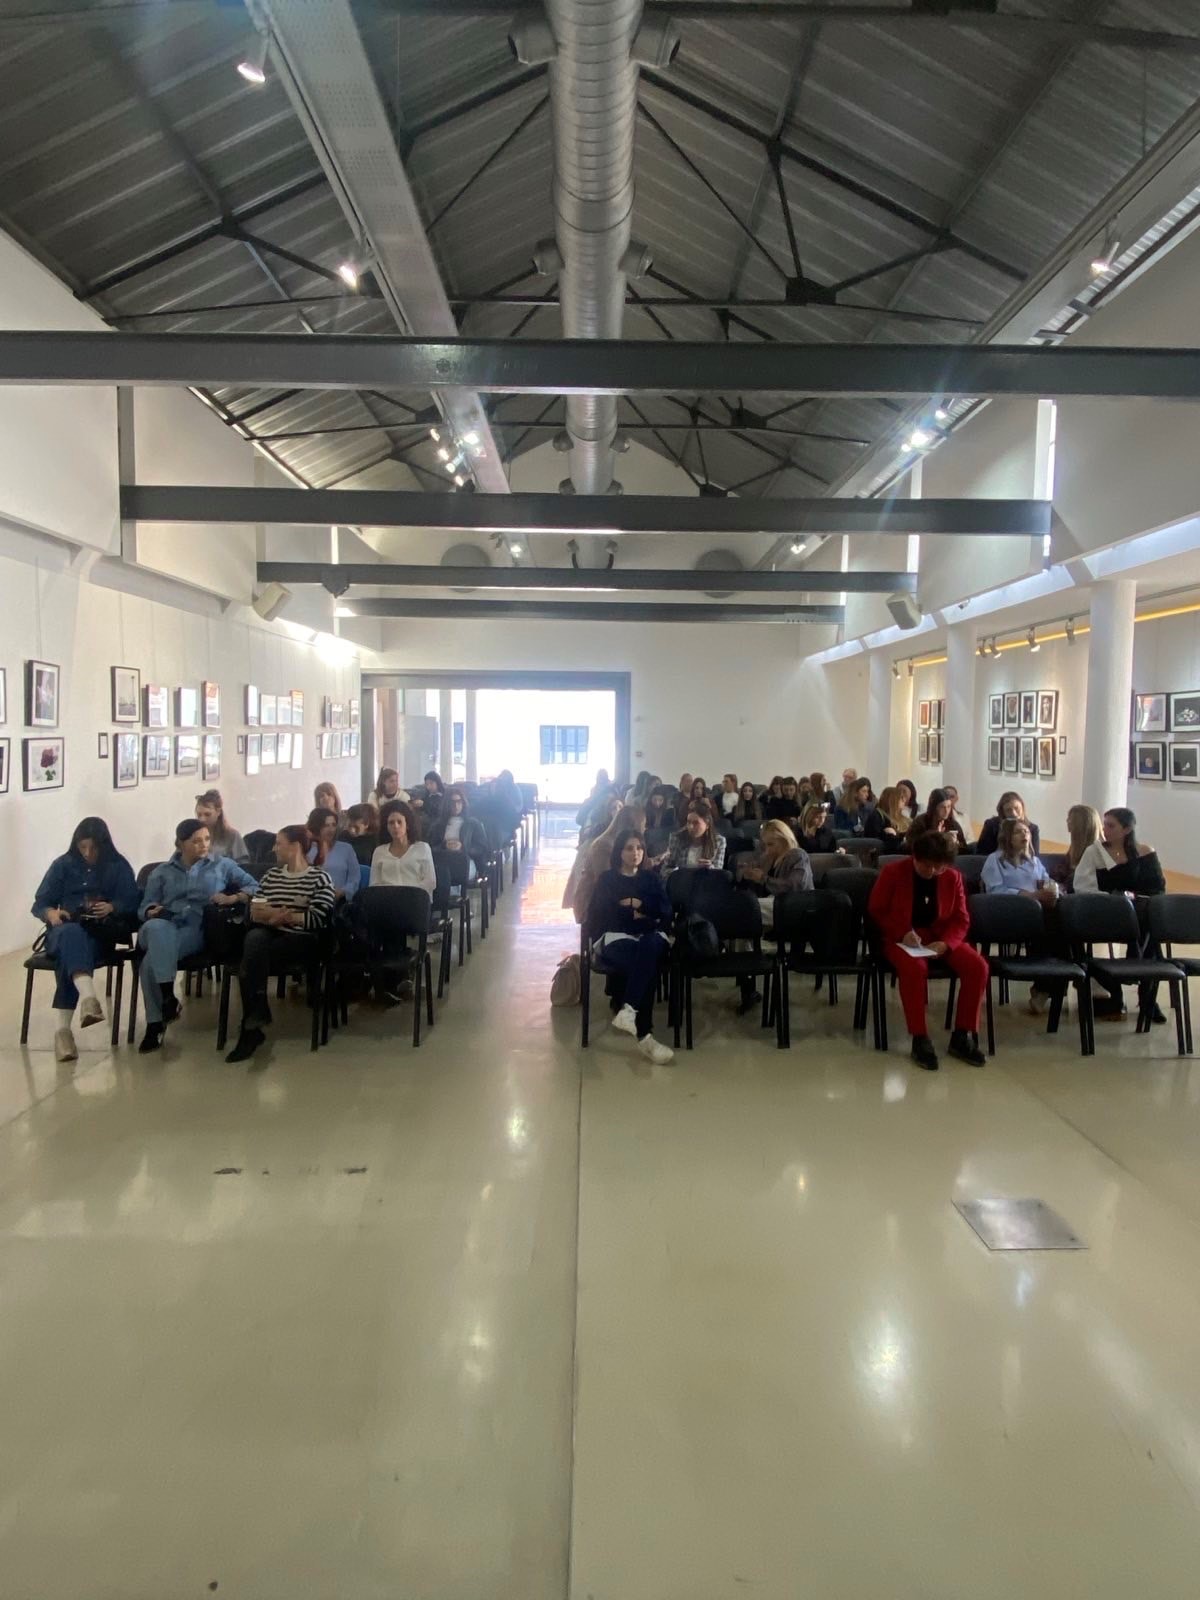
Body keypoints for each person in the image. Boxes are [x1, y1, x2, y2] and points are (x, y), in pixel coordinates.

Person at [868, 830, 989, 1070]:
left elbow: (961, 919)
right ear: (916, 857)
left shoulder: (952, 877)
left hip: (941, 937)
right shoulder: (893, 872)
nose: (933, 871)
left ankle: (962, 1034)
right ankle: (919, 1037)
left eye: (939, 867)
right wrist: (902, 932)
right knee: (914, 968)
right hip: (903, 937)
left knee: (978, 967)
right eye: (927, 866)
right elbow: (877, 909)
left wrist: (946, 943)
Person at [138, 819, 258, 1055]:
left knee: (149, 962)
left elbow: (255, 886)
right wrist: (151, 910)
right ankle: (167, 998)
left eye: (206, 839)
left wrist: (233, 898)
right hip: (162, 925)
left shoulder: (222, 865)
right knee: (157, 929)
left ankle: (156, 1022)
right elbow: (143, 907)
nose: (204, 845)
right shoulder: (161, 872)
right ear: (180, 844)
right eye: (196, 841)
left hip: (195, 930)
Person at [31, 817, 139, 1063]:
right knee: (71, 935)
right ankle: (88, 999)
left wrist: (112, 907)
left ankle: (63, 1033)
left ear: (104, 845)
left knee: (71, 954)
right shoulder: (63, 865)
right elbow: (41, 902)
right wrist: (51, 913)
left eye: (93, 848)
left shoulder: (118, 866)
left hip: (99, 933)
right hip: (64, 928)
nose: (88, 853)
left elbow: (133, 900)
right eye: (83, 847)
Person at [224, 826, 336, 1063]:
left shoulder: (319, 878)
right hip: (269, 934)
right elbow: (255, 910)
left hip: (302, 940)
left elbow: (318, 918)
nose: (274, 848)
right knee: (254, 939)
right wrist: (276, 916)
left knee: (250, 959)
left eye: (279, 843)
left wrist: (284, 917)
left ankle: (251, 1028)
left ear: (295, 847)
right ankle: (254, 1019)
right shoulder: (271, 876)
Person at [587, 830, 675, 1065]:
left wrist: (638, 904)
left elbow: (665, 911)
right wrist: (638, 914)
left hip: (650, 936)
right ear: (619, 852)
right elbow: (602, 914)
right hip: (617, 936)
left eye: (639, 848)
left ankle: (629, 1011)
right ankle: (645, 1035)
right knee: (646, 961)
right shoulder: (607, 880)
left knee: (648, 948)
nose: (635, 853)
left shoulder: (651, 879)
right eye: (629, 848)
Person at [1072, 807, 1167, 1023]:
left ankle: (1144, 992)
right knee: (1148, 936)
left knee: (1149, 929)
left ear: (1127, 829)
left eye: (1111, 825)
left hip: (1138, 914)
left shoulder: (1144, 852)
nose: (1104, 829)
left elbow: (1157, 889)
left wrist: (1134, 898)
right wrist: (1115, 899)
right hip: (1106, 913)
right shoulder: (1094, 852)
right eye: (1104, 824)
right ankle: (1141, 990)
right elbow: (1083, 887)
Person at [569, 804, 647, 923]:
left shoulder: (625, 844)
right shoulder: (603, 846)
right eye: (643, 825)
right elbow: (605, 881)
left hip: (612, 899)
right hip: (593, 902)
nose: (645, 829)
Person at [981, 818, 1057, 903]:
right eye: (1018, 832)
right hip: (1008, 906)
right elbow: (995, 890)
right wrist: (1028, 895)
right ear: (1007, 837)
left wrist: (1053, 889)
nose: (1024, 834)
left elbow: (1047, 881)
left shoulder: (1035, 861)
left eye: (1027, 831)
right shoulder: (994, 859)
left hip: (1036, 906)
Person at [370, 801, 437, 895]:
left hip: (416, 898)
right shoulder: (379, 851)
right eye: (391, 823)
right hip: (387, 900)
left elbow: (430, 881)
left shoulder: (422, 848)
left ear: (407, 824)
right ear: (386, 827)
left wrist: (408, 895)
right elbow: (374, 884)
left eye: (399, 822)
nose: (396, 826)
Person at [427, 785, 489, 876]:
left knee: (450, 873)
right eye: (452, 802)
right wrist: (445, 846)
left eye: (459, 802)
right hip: (443, 862)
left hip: (466, 861)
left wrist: (463, 847)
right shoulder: (438, 825)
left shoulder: (473, 824)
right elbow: (430, 848)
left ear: (463, 803)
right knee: (441, 872)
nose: (456, 806)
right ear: (447, 804)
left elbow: (482, 848)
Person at [306, 806, 360, 902]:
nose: (331, 830)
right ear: (316, 826)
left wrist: (343, 891)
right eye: (326, 825)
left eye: (334, 825)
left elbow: (354, 877)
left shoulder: (346, 848)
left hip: (340, 900)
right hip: (311, 899)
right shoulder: (307, 849)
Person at [663, 799, 726, 873]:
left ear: (707, 825)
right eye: (688, 822)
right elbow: (665, 869)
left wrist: (710, 868)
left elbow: (718, 873)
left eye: (696, 823)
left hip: (704, 879)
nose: (690, 827)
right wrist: (676, 873)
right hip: (682, 879)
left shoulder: (719, 841)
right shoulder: (677, 838)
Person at [1049, 804, 1101, 891]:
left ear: (1080, 824)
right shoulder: (1073, 849)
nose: (1067, 821)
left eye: (1070, 819)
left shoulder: (1096, 853)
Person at [977, 792, 1040, 856]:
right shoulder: (992, 825)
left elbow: (1035, 856)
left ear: (1022, 807)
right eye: (1008, 810)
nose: (1014, 814)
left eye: (1017, 808)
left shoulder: (1033, 829)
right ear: (1003, 813)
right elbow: (981, 854)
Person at [194, 790, 249, 864]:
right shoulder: (192, 836)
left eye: (207, 814)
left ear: (218, 812)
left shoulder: (232, 835)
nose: (202, 819)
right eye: (199, 815)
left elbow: (243, 865)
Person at [864, 786, 910, 850]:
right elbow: (874, 841)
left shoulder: (904, 818)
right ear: (892, 800)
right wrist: (891, 835)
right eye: (901, 798)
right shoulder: (877, 816)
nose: (904, 801)